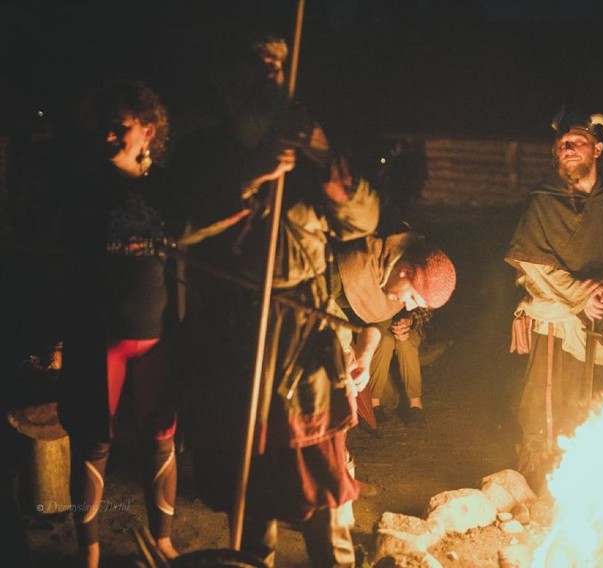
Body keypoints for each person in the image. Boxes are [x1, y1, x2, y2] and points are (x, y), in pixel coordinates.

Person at [171, 31, 379, 567]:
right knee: (252, 488)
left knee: (323, 486)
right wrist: (251, 175)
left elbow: (364, 219)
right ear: (229, 85)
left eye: (278, 67)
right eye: (259, 66)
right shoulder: (204, 150)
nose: (271, 76)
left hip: (305, 342)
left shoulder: (312, 150)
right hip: (238, 343)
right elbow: (181, 227)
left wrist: (326, 155)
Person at [55, 77, 183, 567]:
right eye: (105, 128)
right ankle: (88, 550)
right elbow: (65, 258)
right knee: (93, 439)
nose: (109, 137)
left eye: (120, 128)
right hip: (101, 335)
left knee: (161, 435)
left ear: (148, 131)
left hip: (155, 333)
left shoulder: (167, 190)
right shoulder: (88, 186)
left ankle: (164, 540)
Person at [504, 107, 603, 491]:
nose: (567, 149)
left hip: (601, 318)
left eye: (578, 143)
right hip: (554, 318)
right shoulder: (543, 200)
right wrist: (578, 298)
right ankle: (541, 479)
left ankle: (587, 479)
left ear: (597, 150)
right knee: (544, 401)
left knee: (591, 401)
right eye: (562, 145)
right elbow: (530, 262)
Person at [330, 234, 456, 429]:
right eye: (413, 297)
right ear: (405, 272)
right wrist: (345, 350)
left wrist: (363, 359)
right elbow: (319, 306)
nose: (409, 307)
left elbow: (376, 323)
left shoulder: (394, 278)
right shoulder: (354, 260)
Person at [367, 307, 432, 426]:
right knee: (385, 342)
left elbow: (427, 312)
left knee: (405, 344)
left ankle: (415, 405)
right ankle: (373, 404)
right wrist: (388, 322)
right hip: (382, 324)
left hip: (410, 326)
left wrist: (409, 320)